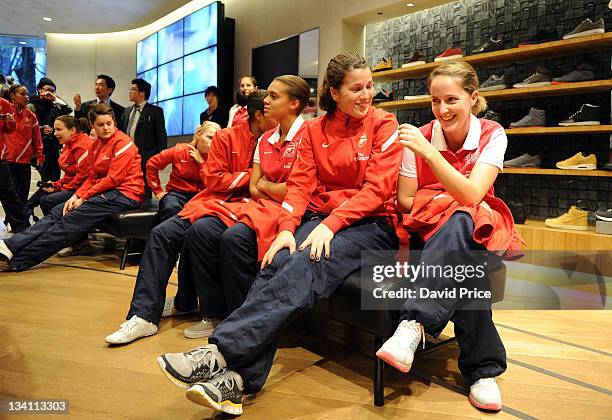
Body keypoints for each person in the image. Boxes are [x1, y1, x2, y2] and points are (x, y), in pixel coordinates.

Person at [155, 52, 402, 416]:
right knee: (276, 259)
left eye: (369, 86)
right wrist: (286, 230)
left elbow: (378, 190)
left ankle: (219, 351)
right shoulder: (315, 130)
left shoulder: (384, 123)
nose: (367, 95)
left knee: (310, 260)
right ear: (334, 92)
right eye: (356, 88)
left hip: (372, 224)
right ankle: (236, 383)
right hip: (320, 218)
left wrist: (330, 225)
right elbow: (300, 188)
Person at [376, 61, 522, 412]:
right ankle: (483, 371)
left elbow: (474, 195)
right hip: (429, 232)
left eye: (452, 99)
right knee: (465, 255)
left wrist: (430, 156)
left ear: (473, 98)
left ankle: (412, 324)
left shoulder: (492, 133)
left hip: (479, 228)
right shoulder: (422, 133)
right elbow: (406, 200)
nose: (442, 109)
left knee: (461, 219)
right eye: (435, 100)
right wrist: (449, 197)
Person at [105, 90, 276, 345]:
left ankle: (198, 306)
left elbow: (274, 182)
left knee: (201, 233)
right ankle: (143, 315)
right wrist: (251, 176)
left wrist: (244, 180)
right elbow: (214, 179)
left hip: (245, 208)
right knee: (162, 233)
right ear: (260, 115)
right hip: (209, 202)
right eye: (272, 109)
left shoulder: (277, 140)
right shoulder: (226, 137)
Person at [165, 75, 310, 340]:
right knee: (200, 230)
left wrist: (268, 185)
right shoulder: (265, 138)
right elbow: (254, 186)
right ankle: (215, 315)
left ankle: (245, 323)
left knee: (232, 239)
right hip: (257, 205)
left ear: (294, 104)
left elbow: (297, 189)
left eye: (273, 96)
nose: (265, 100)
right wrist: (268, 186)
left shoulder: (308, 134)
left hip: (287, 209)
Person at [0, 103, 143, 272]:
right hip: (107, 193)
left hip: (124, 195)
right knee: (58, 211)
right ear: (92, 126)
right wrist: (76, 196)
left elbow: (113, 179)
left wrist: (84, 197)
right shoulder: (97, 145)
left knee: (69, 220)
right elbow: (93, 176)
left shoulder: (123, 143)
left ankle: (18, 260)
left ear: (114, 123)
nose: (105, 128)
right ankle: (10, 246)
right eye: (100, 125)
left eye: (109, 124)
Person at [146, 121, 221, 222]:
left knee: (208, 217)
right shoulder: (180, 150)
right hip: (177, 194)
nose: (212, 143)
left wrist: (202, 163)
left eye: (216, 140)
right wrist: (157, 190)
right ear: (199, 134)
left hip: (201, 196)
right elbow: (152, 164)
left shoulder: (216, 158)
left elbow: (213, 183)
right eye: (209, 137)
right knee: (170, 208)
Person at [121, 78, 167, 199]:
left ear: (142, 93)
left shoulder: (155, 111)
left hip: (146, 156)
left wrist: (160, 157)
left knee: (145, 188)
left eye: (133, 89)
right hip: (127, 157)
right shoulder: (126, 111)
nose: (130, 92)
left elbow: (161, 135)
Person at [37, 115, 92, 215]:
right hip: (75, 185)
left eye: (59, 129)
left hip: (83, 188)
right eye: (55, 130)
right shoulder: (68, 144)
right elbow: (69, 175)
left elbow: (82, 178)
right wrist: (56, 184)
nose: (55, 134)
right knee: (43, 195)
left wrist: (61, 187)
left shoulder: (82, 146)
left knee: (47, 200)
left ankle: (58, 226)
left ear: (73, 130)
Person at [2, 84, 44, 205]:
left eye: (27, 94)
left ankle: (19, 221)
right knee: (10, 196)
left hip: (24, 162)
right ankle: (12, 220)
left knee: (23, 195)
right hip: (7, 161)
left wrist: (40, 156)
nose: (26, 97)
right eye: (22, 94)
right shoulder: (4, 113)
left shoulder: (31, 116)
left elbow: (37, 138)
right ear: (12, 96)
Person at [28, 77, 72, 183]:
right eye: (47, 90)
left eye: (52, 91)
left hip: (53, 147)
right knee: (48, 180)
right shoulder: (32, 105)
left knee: (54, 179)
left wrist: (55, 99)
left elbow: (68, 110)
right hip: (38, 148)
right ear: (40, 90)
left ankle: (43, 199)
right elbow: (25, 127)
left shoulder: (54, 106)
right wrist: (40, 129)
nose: (49, 93)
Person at [0, 97, 30, 233]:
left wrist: (10, 121)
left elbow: (10, 129)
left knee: (10, 194)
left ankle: (23, 229)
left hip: (0, 158)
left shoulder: (4, 103)